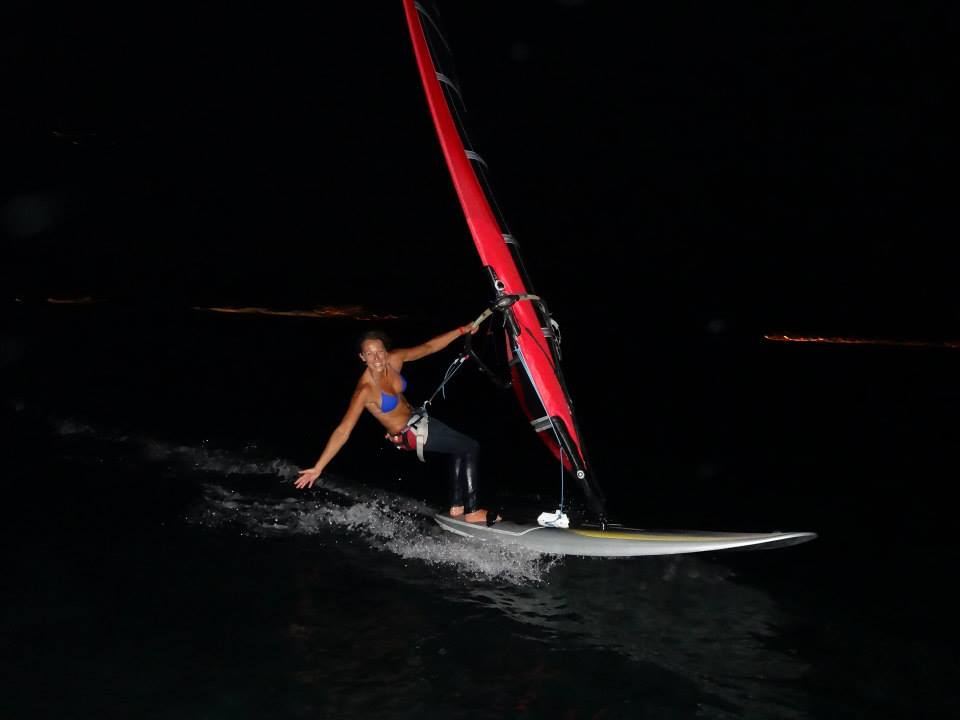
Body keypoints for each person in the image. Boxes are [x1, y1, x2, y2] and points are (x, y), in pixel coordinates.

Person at [294, 324, 497, 523]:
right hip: (411, 434)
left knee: (460, 448)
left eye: (380, 351)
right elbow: (343, 430)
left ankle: (457, 506)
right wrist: (318, 467)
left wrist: (461, 330)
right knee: (471, 446)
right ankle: (472, 511)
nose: (377, 358)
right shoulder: (365, 390)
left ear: (385, 351)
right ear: (362, 357)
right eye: (370, 354)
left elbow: (428, 348)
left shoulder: (394, 360)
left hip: (420, 421)